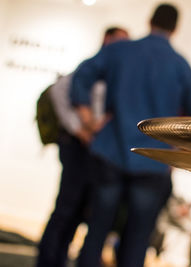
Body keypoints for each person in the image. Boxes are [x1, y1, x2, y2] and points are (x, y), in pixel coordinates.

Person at [70, 3, 191, 267]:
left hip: (111, 151)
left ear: (149, 20)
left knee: (97, 231)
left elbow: (81, 76)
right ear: (175, 28)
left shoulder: (121, 50)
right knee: (137, 239)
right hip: (153, 161)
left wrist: (88, 120)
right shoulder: (180, 65)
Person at [36, 27, 129, 267]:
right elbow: (59, 92)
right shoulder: (92, 66)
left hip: (94, 150)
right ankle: (47, 260)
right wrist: (81, 129)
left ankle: (60, 258)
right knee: (66, 207)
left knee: (79, 210)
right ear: (107, 40)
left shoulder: (111, 70)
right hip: (77, 146)